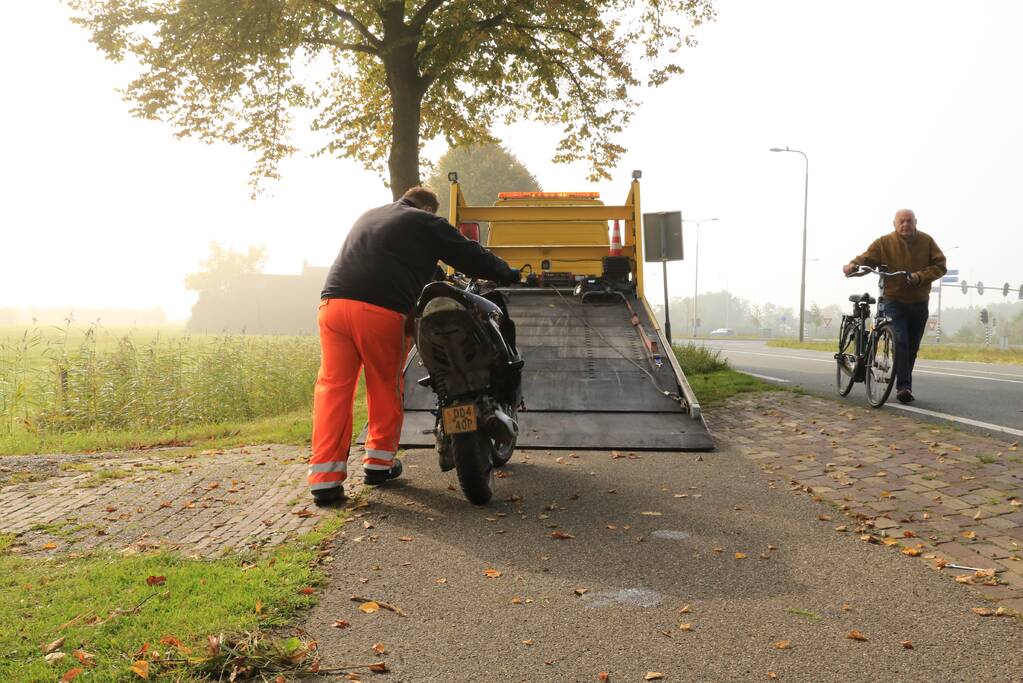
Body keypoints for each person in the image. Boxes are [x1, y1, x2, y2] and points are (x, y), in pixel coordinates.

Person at [308, 186, 520, 505]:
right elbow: (468, 255)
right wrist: (508, 273)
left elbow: (421, 268)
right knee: (384, 386)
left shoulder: (372, 216)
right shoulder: (423, 222)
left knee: (333, 389)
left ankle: (325, 480)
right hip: (378, 310)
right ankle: (378, 464)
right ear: (429, 210)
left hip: (332, 306)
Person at [842, 208, 946, 403]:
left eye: (909, 221)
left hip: (920, 302)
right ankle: (904, 387)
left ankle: (903, 383)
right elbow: (867, 258)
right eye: (901, 221)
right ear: (894, 224)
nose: (905, 224)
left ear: (916, 222)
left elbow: (940, 266)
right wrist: (853, 265)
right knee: (901, 342)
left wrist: (920, 277)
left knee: (912, 347)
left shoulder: (927, 241)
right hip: (893, 301)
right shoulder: (884, 242)